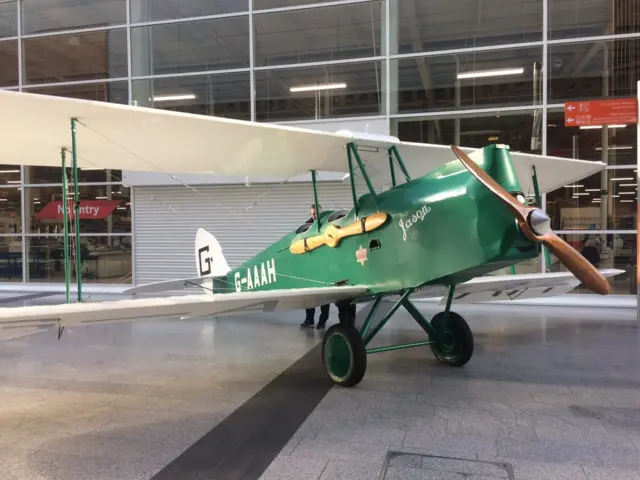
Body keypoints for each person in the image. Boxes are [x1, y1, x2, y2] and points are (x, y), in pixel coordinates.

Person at [300, 204, 330, 329]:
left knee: (324, 295)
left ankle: (322, 320)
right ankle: (309, 319)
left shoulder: (327, 224)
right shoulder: (306, 226)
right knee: (310, 295)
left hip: (324, 263)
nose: (314, 216)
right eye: (312, 213)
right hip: (311, 264)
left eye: (316, 213)